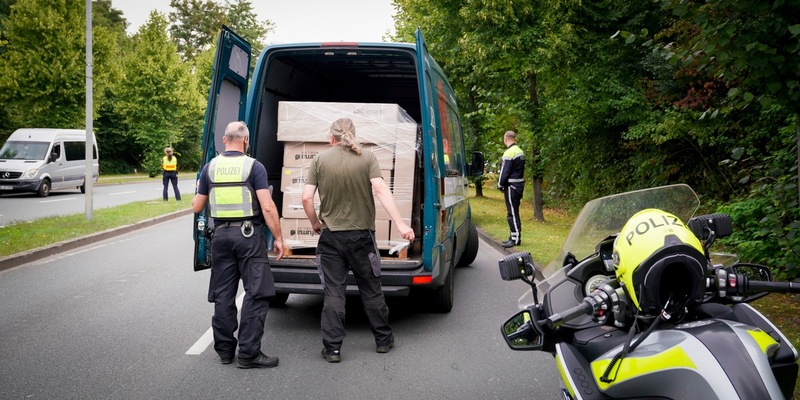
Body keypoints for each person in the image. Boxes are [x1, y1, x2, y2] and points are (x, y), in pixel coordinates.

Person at [302, 117, 415, 363]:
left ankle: (332, 349)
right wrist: (400, 224)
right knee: (371, 289)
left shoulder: (320, 160)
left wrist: (315, 222)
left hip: (331, 238)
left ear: (331, 137)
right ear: (354, 134)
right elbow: (381, 190)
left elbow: (306, 198)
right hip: (362, 238)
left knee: (334, 292)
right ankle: (383, 340)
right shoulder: (367, 158)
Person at [191, 121, 285, 369]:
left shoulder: (210, 167)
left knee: (223, 294)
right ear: (246, 140)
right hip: (248, 237)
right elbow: (267, 206)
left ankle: (224, 351)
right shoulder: (254, 166)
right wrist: (278, 237)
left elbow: (197, 206)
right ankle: (248, 354)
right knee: (256, 292)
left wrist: (200, 189)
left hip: (220, 237)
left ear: (224, 140)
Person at [497, 130, 525, 248]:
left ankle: (515, 239)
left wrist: (500, 184)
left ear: (505, 139)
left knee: (512, 213)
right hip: (519, 185)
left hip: (511, 186)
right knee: (514, 211)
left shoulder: (509, 153)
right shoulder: (520, 151)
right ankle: (513, 236)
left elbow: (504, 172)